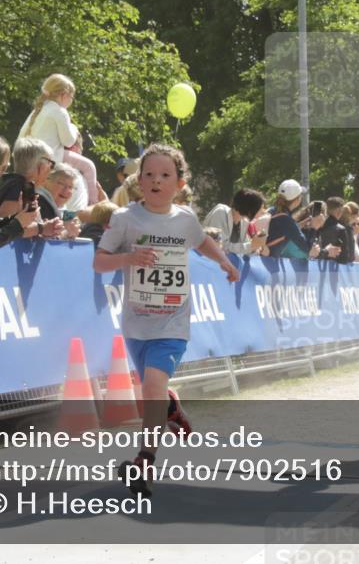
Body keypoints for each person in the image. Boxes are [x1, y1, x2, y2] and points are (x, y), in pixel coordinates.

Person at [93, 144, 239, 496]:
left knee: (153, 387)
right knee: (153, 391)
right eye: (149, 175)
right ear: (138, 181)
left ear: (179, 182)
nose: (156, 181)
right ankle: (171, 408)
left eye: (165, 175)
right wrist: (129, 258)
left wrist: (224, 262)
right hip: (136, 323)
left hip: (173, 322)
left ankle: (144, 462)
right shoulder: (125, 219)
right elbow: (99, 262)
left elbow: (202, 241)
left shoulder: (185, 219)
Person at [18, 73, 103, 205]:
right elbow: (68, 141)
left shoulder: (37, 110)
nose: (71, 100)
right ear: (64, 95)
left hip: (31, 159)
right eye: (72, 96)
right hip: (51, 158)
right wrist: (74, 128)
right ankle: (93, 203)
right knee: (89, 166)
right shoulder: (59, 111)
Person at [0, 137, 63, 240]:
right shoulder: (17, 187)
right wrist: (41, 228)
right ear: (41, 166)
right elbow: (2, 230)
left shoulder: (20, 186)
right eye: (51, 165)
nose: (51, 171)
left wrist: (46, 228)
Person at [265, 179, 325, 260]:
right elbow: (307, 248)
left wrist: (298, 225)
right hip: (269, 263)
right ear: (297, 200)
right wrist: (314, 227)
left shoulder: (271, 210)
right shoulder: (286, 220)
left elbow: (280, 230)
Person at [201, 188, 267, 255]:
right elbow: (219, 247)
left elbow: (245, 250)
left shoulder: (244, 222)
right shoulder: (220, 212)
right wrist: (251, 246)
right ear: (250, 209)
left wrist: (255, 247)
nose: (263, 212)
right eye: (260, 209)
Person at [37, 163, 82, 239]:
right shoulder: (39, 201)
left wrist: (73, 230)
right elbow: (46, 240)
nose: (67, 190)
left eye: (71, 187)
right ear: (46, 180)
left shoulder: (65, 211)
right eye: (62, 184)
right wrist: (67, 233)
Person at [317, 197, 355, 264]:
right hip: (334, 270)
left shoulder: (317, 225)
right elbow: (347, 257)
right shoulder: (341, 229)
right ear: (339, 211)